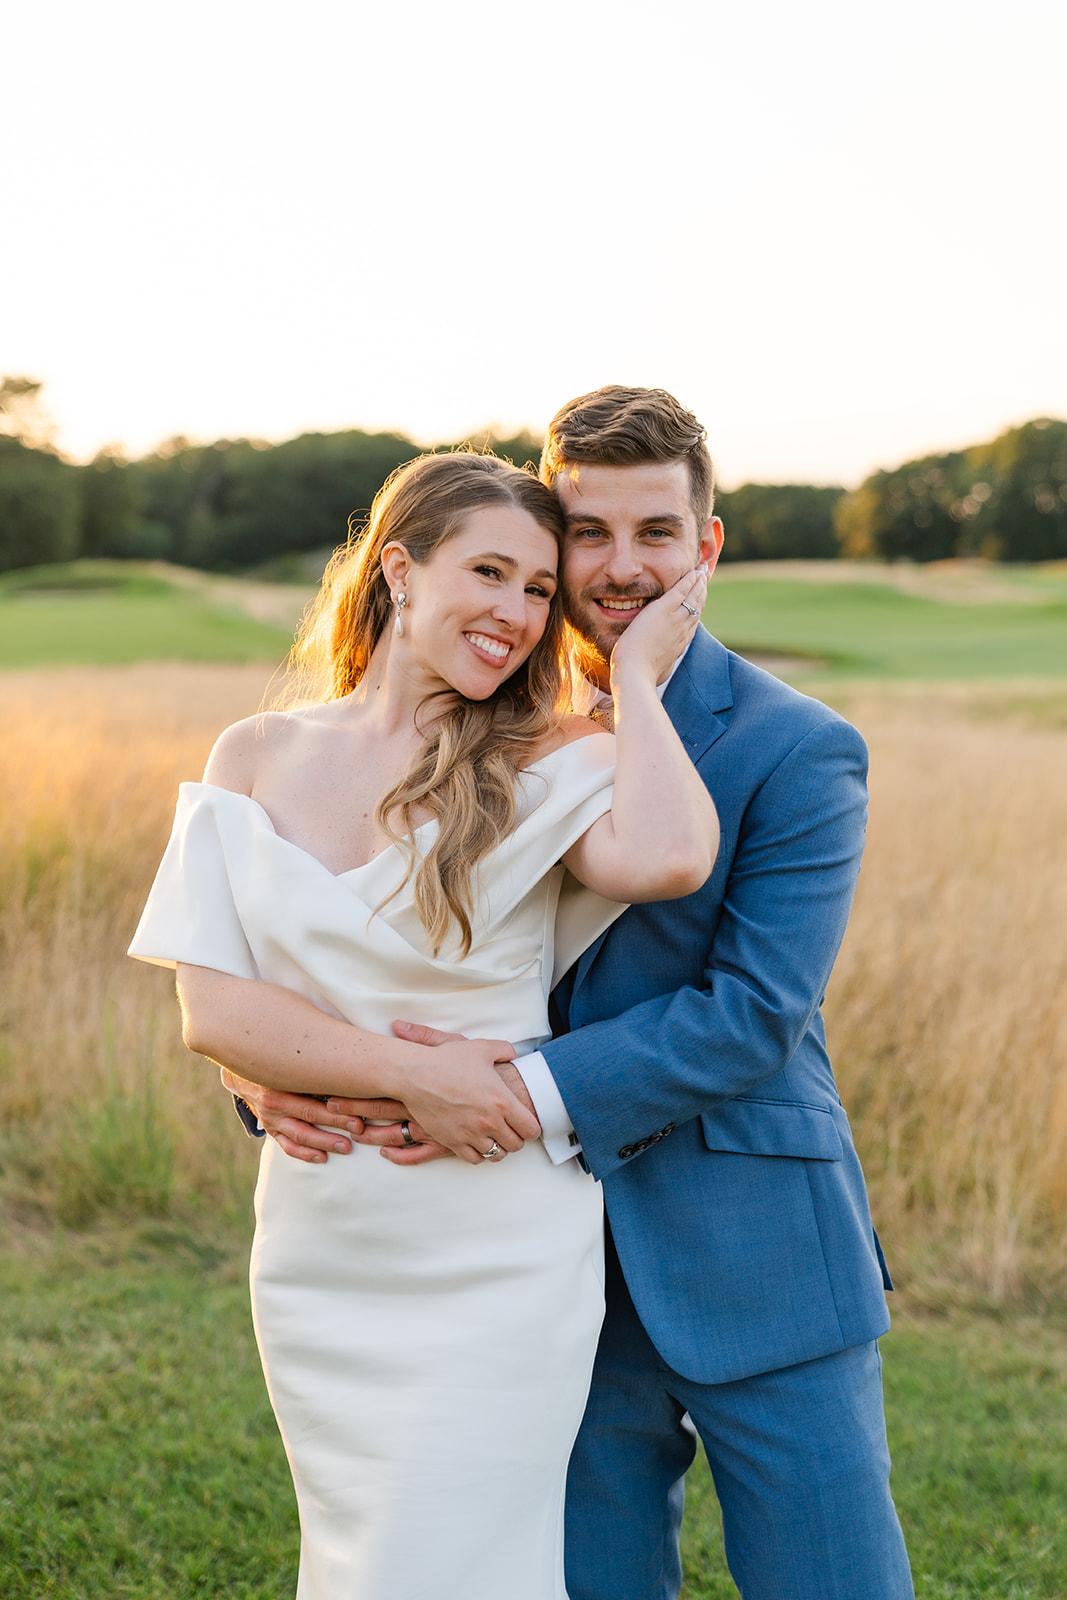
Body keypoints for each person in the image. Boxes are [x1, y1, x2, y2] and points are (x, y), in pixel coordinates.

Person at [233, 388, 914, 1600]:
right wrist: (269, 1071)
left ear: (705, 545)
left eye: (655, 532)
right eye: (585, 533)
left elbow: (750, 1013)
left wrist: (502, 1092)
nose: (618, 565)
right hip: (529, 1275)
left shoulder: (795, 745)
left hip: (751, 1245)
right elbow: (364, 944)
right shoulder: (479, 728)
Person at [128, 448, 718, 1600]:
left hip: (495, 1230)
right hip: (326, 1228)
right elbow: (216, 1007)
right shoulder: (254, 754)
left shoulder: (545, 752)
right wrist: (410, 1081)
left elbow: (668, 854)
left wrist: (636, 683)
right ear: (399, 568)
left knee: (472, 1548)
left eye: (538, 589)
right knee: (360, 1553)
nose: (514, 610)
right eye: (487, 570)